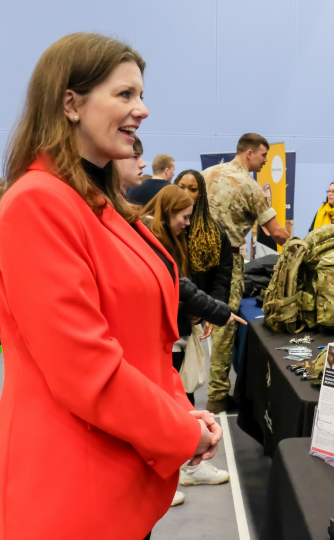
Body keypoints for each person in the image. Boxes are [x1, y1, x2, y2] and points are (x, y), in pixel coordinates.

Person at [0, 32, 220, 539]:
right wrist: (179, 431)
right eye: (124, 95)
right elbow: (87, 369)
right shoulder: (38, 203)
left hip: (118, 472)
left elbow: (144, 340)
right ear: (71, 103)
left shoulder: (99, 206)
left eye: (141, 95)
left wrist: (184, 413)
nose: (142, 109)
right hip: (72, 486)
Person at [141, 185, 243, 504]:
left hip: (174, 330)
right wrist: (218, 310)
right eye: (184, 216)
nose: (187, 223)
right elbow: (179, 284)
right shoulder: (148, 235)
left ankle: (182, 466)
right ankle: (167, 472)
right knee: (166, 403)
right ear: (168, 211)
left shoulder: (160, 235)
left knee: (181, 397)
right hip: (159, 335)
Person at [202, 133, 290, 413]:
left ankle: (186, 390)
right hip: (227, 261)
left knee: (195, 320)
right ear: (249, 153)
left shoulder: (206, 174)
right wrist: (300, 245)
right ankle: (216, 395)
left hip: (197, 258)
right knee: (224, 325)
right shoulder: (250, 187)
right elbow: (276, 233)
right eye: (263, 155)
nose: (265, 161)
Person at [174, 169, 234, 342]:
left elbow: (221, 278)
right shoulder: (163, 228)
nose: (186, 193)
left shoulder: (214, 232)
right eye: (181, 187)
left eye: (192, 189)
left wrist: (211, 313)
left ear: (200, 194)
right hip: (171, 312)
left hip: (199, 310)